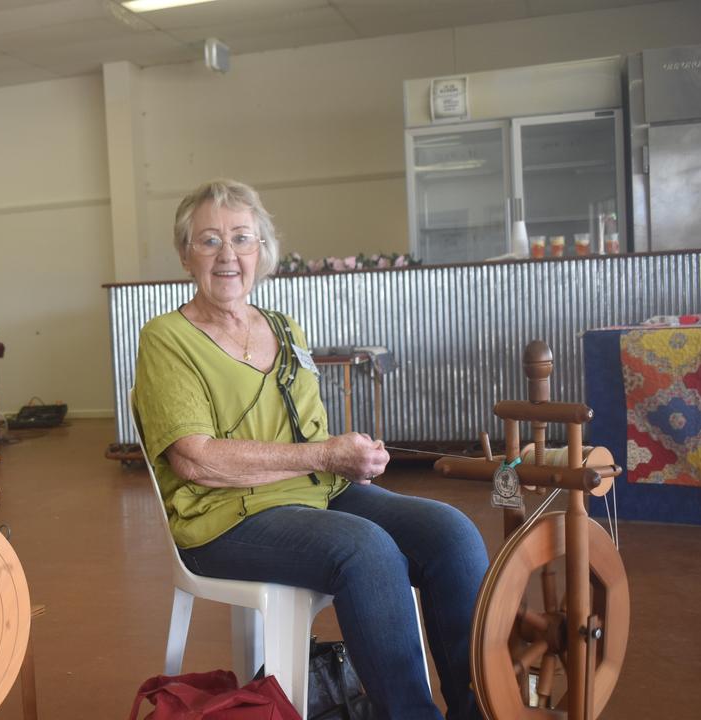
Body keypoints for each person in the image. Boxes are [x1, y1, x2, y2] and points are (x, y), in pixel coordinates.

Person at [132, 179, 488, 720]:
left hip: (319, 495)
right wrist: (323, 457)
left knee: (452, 534)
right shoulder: (167, 338)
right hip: (224, 518)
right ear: (185, 254)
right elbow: (195, 459)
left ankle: (477, 709)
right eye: (208, 240)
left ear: (262, 252)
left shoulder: (283, 327)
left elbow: (311, 433)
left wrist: (352, 455)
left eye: (241, 239)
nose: (227, 255)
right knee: (365, 550)